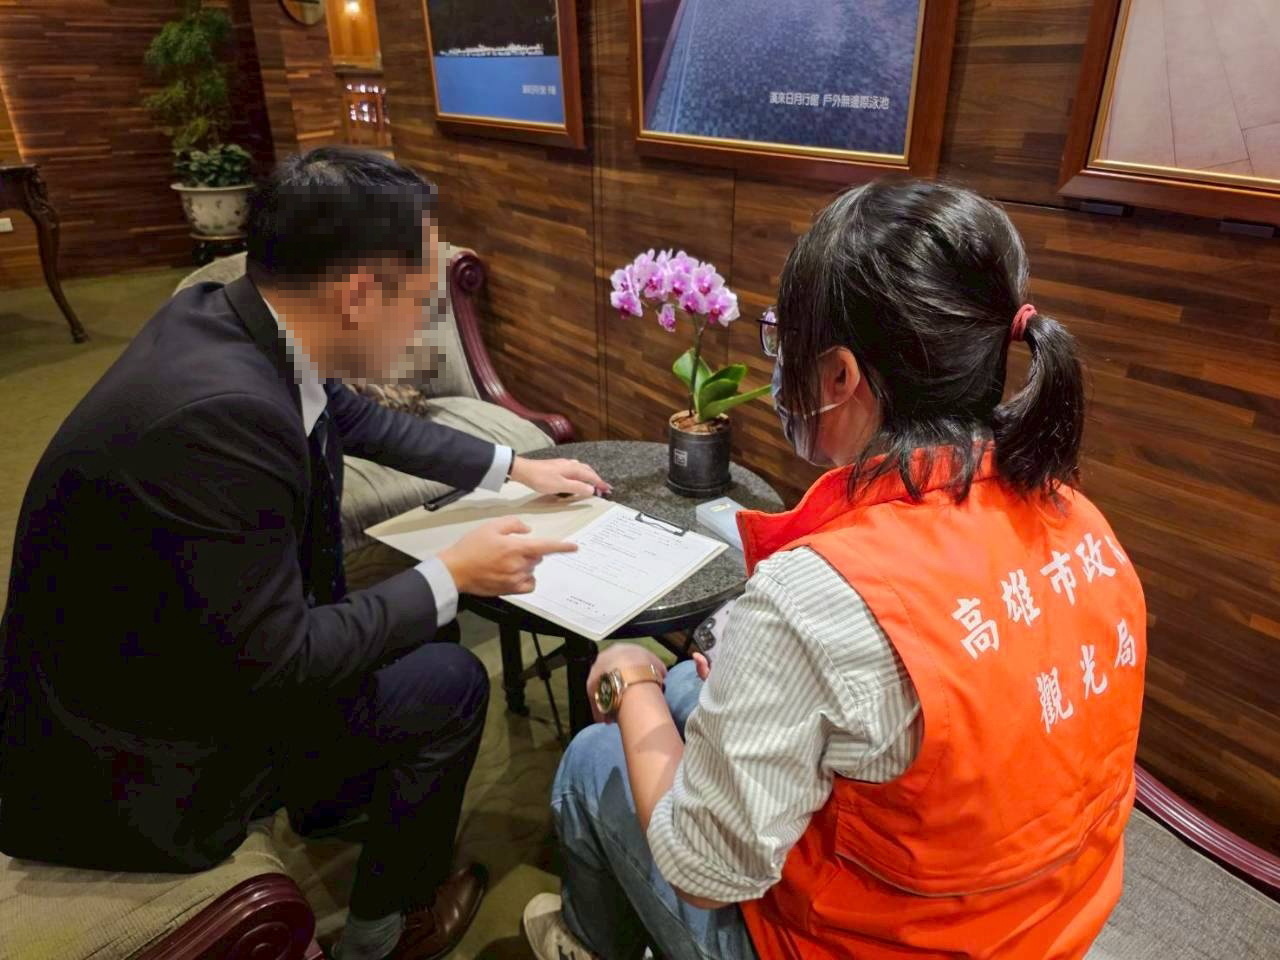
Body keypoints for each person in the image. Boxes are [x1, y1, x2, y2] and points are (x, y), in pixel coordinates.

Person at [0, 146, 609, 960]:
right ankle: (388, 930)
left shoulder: (231, 318)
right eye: (420, 298)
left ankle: (331, 801)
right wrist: (453, 573)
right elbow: (280, 662)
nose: (423, 319)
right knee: (453, 680)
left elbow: (358, 420)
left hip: (163, 660)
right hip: (135, 764)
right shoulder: (221, 420)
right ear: (357, 296)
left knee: (416, 620)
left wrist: (514, 466)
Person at [523, 179, 1147, 960]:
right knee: (690, 689)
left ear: (841, 376)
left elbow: (703, 871)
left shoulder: (816, 595)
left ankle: (585, 942)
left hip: (870, 944)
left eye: (784, 342)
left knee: (595, 757)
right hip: (1042, 924)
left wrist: (630, 677)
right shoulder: (1083, 523)